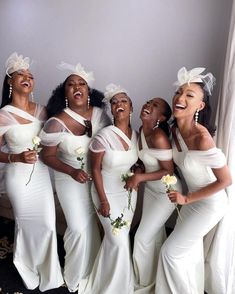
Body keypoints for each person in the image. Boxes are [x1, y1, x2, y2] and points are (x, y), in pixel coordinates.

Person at [155, 67, 232, 294]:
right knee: (189, 252)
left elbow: (225, 181)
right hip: (191, 201)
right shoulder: (174, 131)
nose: (180, 98)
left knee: (170, 253)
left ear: (200, 106)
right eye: (179, 92)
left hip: (210, 203)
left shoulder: (202, 138)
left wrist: (187, 198)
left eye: (189, 95)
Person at [40, 62, 110, 292]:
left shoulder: (101, 116)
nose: (77, 87)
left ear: (89, 91)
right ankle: (74, 275)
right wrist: (71, 170)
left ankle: (92, 271)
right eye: (71, 84)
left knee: (92, 225)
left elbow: (112, 143)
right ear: (65, 92)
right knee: (78, 228)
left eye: (82, 83)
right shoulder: (56, 122)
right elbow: (47, 156)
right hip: (68, 179)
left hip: (96, 180)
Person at [0, 52, 63, 291]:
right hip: (18, 177)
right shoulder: (3, 115)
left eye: (30, 75)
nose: (27, 78)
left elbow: (57, 134)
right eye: (21, 75)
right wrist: (15, 156)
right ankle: (26, 266)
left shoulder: (43, 111)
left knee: (47, 223)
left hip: (40, 175)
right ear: (10, 82)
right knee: (26, 224)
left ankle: (48, 271)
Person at [79, 83, 138, 294]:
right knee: (119, 241)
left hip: (127, 194)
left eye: (123, 101)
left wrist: (137, 176)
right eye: (114, 102)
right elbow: (94, 169)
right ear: (111, 110)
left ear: (131, 107)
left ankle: (110, 281)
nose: (118, 104)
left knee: (120, 240)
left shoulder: (136, 135)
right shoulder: (103, 136)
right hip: (105, 192)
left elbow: (134, 163)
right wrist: (103, 201)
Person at [126, 97, 181, 294]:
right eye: (148, 102)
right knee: (154, 236)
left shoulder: (158, 136)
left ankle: (142, 285)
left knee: (141, 237)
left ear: (163, 117)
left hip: (167, 192)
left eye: (155, 105)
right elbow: (149, 162)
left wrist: (139, 178)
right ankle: (153, 278)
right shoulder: (141, 131)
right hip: (151, 189)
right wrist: (139, 167)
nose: (147, 105)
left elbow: (169, 171)